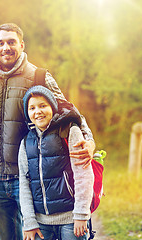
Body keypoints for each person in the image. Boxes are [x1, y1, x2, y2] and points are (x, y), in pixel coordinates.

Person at [0, 23, 96, 240]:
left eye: (11, 42)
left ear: (21, 45)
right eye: (1, 43)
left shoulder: (39, 76)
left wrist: (89, 140)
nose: (6, 47)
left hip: (30, 178)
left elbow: (71, 111)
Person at [18, 86, 94, 240]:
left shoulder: (69, 131)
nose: (37, 111)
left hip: (71, 219)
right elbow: (24, 183)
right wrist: (29, 221)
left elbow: (83, 175)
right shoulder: (26, 142)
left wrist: (81, 214)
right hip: (41, 224)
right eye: (32, 108)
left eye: (43, 106)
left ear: (52, 107)